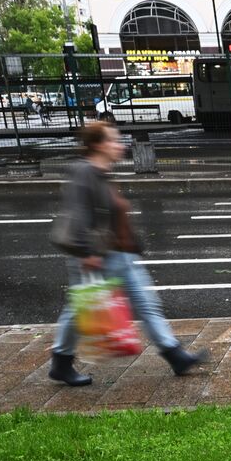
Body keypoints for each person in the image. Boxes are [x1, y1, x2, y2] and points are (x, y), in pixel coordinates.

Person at [48, 121, 206, 386]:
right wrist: (86, 252)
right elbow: (77, 214)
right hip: (95, 256)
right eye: (113, 140)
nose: (119, 145)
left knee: (147, 306)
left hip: (122, 255)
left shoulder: (102, 172)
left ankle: (175, 355)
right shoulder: (84, 172)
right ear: (98, 144)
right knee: (78, 310)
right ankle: (61, 363)